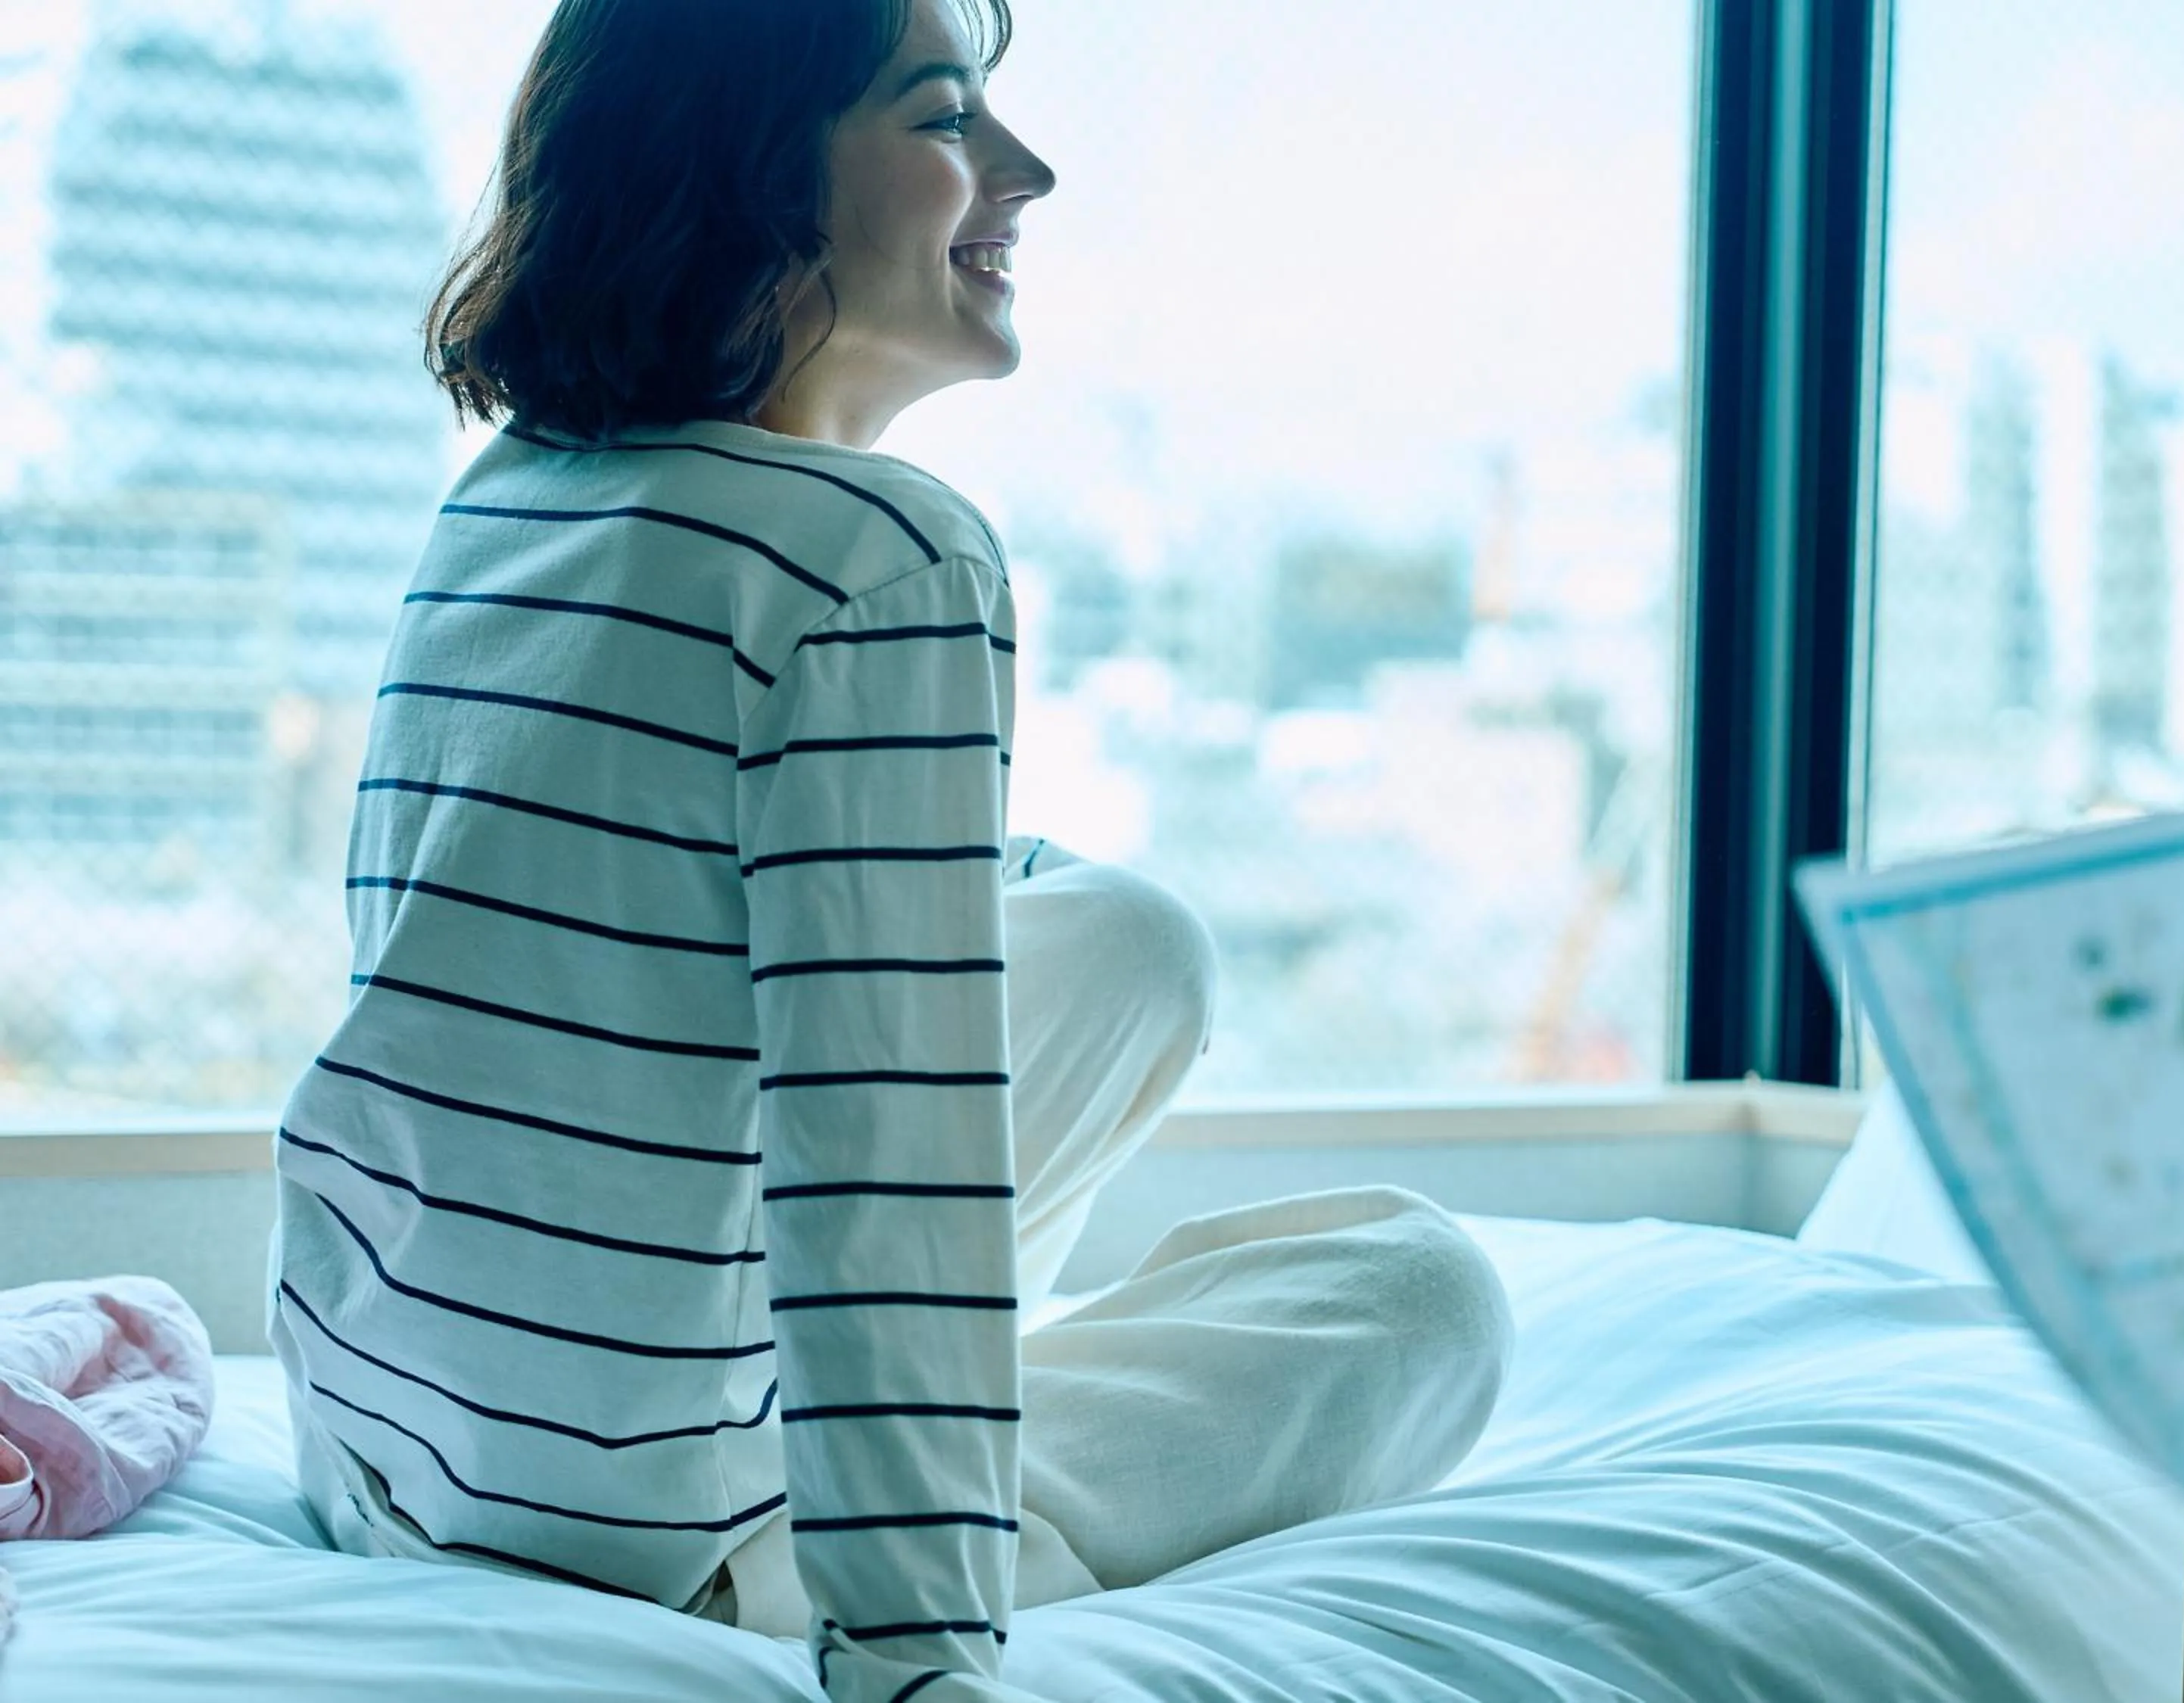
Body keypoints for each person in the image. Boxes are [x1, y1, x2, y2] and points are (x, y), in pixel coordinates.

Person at [264, 2, 1516, 1699]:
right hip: (658, 1538)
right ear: (746, 172)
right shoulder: (883, 555)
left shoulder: (508, 498)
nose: (1026, 170)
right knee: (1425, 1299)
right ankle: (862, 1496)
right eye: (944, 118)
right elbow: (879, 1168)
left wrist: (912, 855)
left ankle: (860, 1427)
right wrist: (918, 1660)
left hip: (386, 1443)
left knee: (1133, 937)